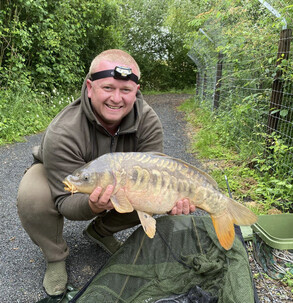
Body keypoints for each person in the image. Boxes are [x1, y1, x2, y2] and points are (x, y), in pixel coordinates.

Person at [17, 49, 195, 297]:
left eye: (125, 90)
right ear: (90, 87)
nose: (116, 98)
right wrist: (95, 205)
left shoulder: (148, 121)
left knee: (154, 195)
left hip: (117, 179)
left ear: (137, 90)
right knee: (32, 194)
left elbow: (157, 173)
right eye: (108, 88)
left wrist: (172, 200)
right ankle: (55, 255)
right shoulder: (63, 131)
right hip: (69, 176)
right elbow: (64, 201)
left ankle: (100, 231)